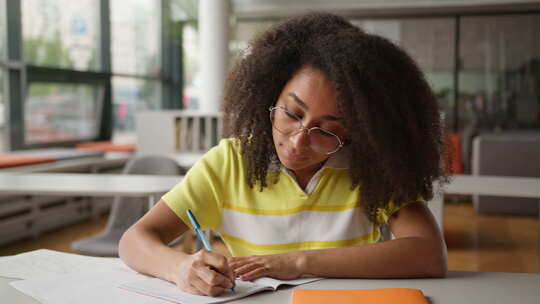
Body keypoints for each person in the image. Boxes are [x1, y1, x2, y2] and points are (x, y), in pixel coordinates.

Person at [119, 12, 449, 297]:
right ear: (269, 95)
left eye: (327, 130)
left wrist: (297, 262)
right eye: (292, 113)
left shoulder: (370, 167)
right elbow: (134, 240)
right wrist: (179, 268)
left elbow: (429, 254)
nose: (298, 142)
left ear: (358, 130)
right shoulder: (230, 163)